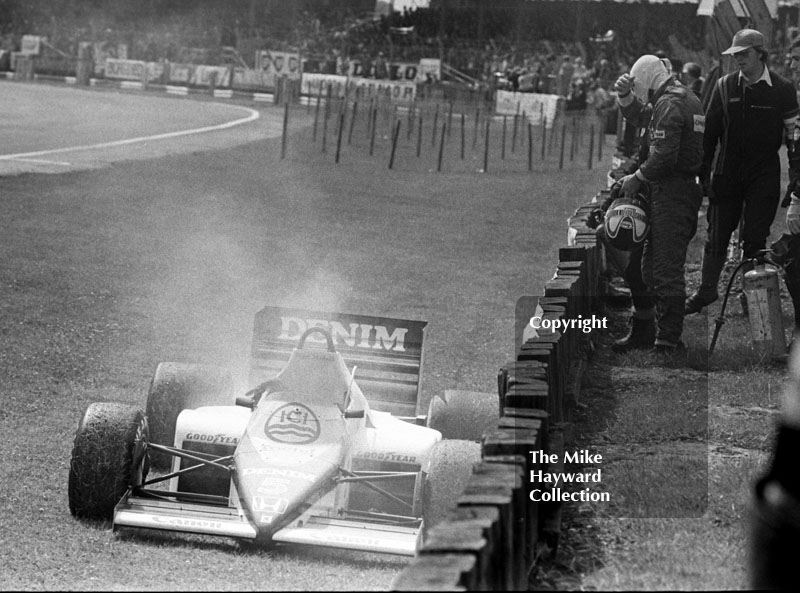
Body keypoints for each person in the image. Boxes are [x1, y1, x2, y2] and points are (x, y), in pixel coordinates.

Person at [685, 29, 799, 315]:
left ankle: (754, 298)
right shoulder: (724, 86)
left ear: (760, 53)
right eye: (734, 55)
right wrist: (703, 172)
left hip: (764, 173)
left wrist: (796, 180)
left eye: (744, 54)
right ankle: (707, 290)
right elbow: (709, 134)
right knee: (717, 235)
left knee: (755, 239)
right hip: (728, 172)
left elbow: (795, 139)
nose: (738, 60)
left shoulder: (783, 89)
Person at [609, 54, 705, 354]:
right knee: (651, 269)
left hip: (672, 192)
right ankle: (657, 333)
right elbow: (643, 118)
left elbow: (663, 156)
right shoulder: (683, 97)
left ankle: (668, 341)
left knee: (664, 269)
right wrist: (624, 96)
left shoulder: (670, 103)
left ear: (648, 82)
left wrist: (637, 177)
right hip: (678, 189)